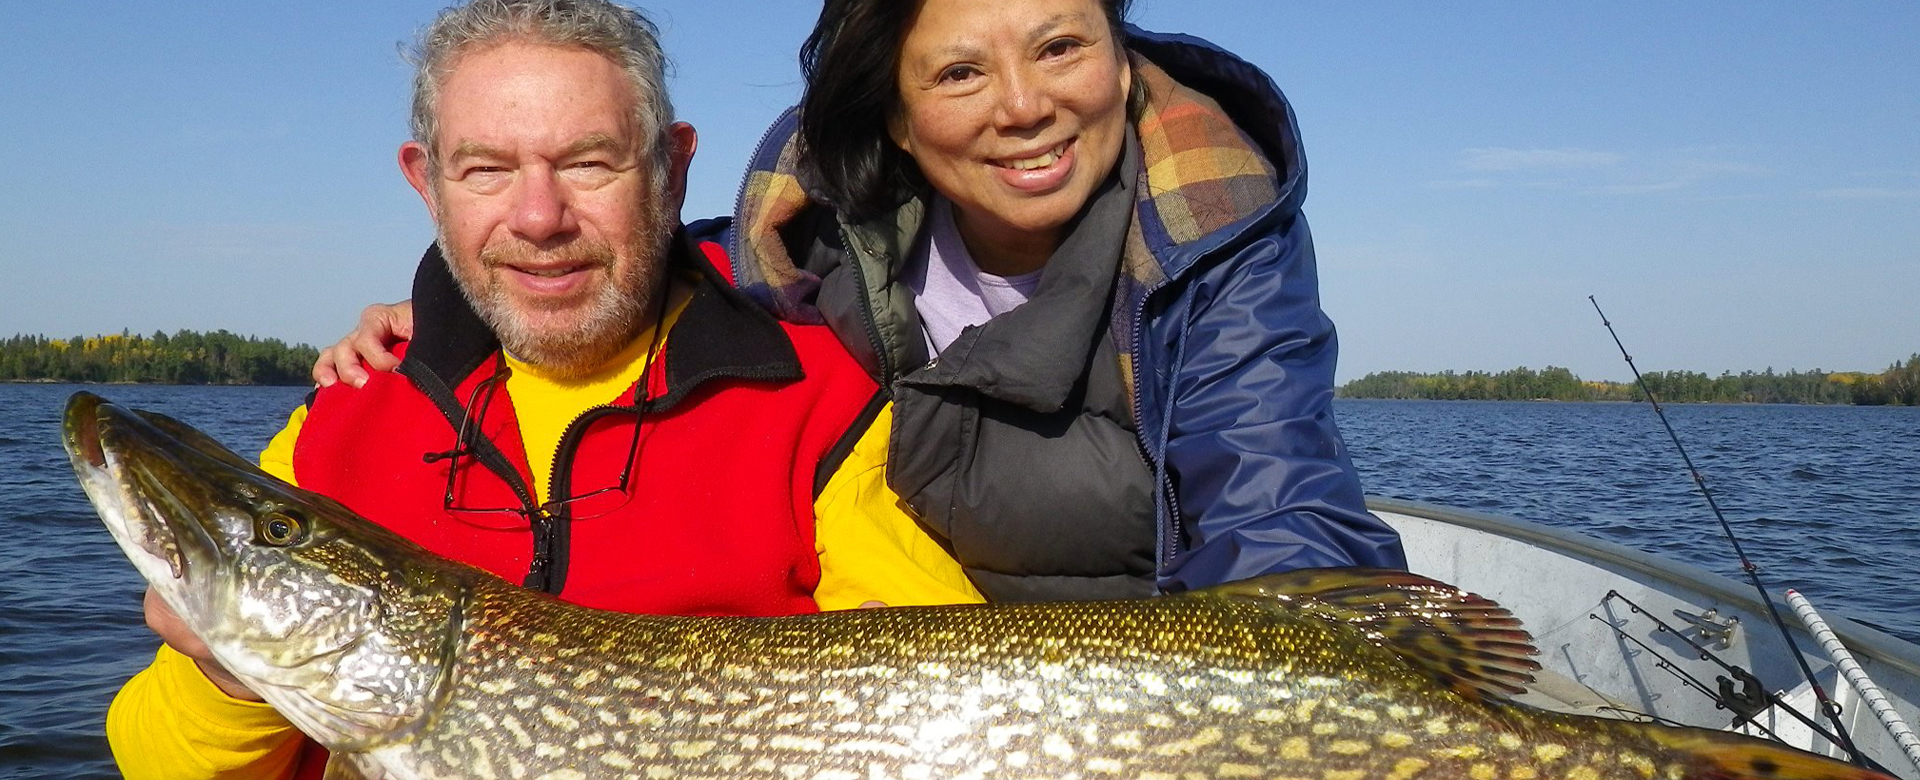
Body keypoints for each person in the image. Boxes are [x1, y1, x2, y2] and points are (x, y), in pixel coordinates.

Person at [107, 2, 979, 778]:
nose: (539, 219)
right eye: (486, 169)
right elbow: (156, 761)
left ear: (671, 169)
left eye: (589, 163)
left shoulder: (823, 405)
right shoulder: (342, 418)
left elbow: (958, 703)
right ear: (428, 184)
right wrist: (230, 670)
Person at [322, 0, 1408, 602]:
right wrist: (449, 320)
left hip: (1119, 692)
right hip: (915, 675)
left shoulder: (1214, 239)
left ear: (1121, 63)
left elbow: (1278, 511)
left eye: (1062, 46)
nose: (1024, 106)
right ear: (895, 116)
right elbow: (608, 257)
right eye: (960, 73)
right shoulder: (792, 249)